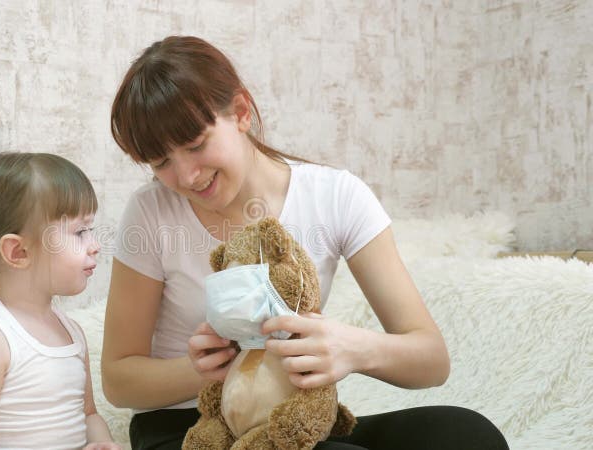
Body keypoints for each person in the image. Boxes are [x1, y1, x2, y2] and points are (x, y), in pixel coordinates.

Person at [103, 35, 509, 450]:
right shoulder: (151, 213)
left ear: (241, 112)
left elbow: (431, 360)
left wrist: (353, 349)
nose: (187, 176)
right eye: (162, 163)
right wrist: (205, 370)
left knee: (466, 435)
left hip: (290, 421)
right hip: (190, 430)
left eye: (195, 145)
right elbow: (118, 380)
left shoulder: (335, 196)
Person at [0, 153, 120, 450]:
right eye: (80, 232)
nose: (95, 246)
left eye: (91, 229)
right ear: (18, 252)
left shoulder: (71, 332)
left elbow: (89, 415)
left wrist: (102, 441)